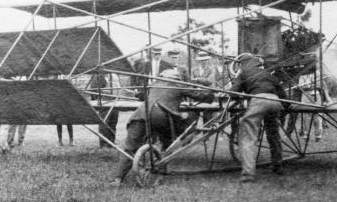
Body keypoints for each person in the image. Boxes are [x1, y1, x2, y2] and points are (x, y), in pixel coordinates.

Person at [111, 68, 215, 184]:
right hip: (160, 116)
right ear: (176, 78)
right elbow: (204, 96)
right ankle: (161, 169)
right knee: (169, 140)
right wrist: (210, 91)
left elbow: (141, 95)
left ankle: (118, 178)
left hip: (139, 115)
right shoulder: (179, 84)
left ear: (162, 76)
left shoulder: (154, 84)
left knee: (130, 147)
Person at [229, 53, 288, 183]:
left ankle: (248, 174)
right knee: (273, 133)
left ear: (242, 63)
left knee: (248, 136)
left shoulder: (243, 72)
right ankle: (277, 165)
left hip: (258, 101)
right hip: (275, 101)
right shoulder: (267, 73)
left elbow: (233, 92)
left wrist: (237, 95)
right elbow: (283, 95)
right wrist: (284, 109)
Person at [88, 71, 118, 148]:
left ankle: (111, 142)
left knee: (113, 123)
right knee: (104, 123)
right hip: (104, 101)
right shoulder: (98, 75)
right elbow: (93, 88)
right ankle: (103, 143)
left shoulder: (115, 75)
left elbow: (118, 87)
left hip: (115, 100)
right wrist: (97, 98)